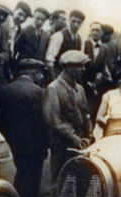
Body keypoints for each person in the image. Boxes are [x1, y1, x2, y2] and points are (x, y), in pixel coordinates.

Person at [0, 59, 48, 197]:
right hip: (35, 144)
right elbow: (42, 121)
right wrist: (45, 144)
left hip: (15, 143)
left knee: (21, 173)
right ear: (32, 73)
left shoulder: (6, 91)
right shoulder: (38, 92)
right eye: (38, 72)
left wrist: (10, 136)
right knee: (32, 179)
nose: (40, 76)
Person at [43, 50, 93, 183]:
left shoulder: (80, 89)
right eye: (80, 66)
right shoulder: (53, 89)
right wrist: (73, 137)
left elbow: (86, 114)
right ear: (69, 68)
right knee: (61, 182)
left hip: (80, 145)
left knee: (81, 181)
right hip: (62, 146)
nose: (83, 69)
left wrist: (88, 135)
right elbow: (53, 120)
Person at [83, 21, 111, 117]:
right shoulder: (84, 44)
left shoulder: (105, 48)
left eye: (97, 30)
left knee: (92, 109)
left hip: (95, 84)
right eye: (93, 30)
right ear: (90, 31)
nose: (95, 32)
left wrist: (99, 77)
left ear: (102, 33)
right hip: (82, 82)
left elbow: (102, 66)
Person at [45, 10, 86, 75]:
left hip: (71, 76)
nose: (76, 25)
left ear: (82, 23)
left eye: (79, 22)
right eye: (73, 21)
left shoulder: (81, 40)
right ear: (69, 20)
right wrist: (53, 78)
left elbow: (80, 60)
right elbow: (49, 60)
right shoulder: (59, 36)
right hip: (57, 74)